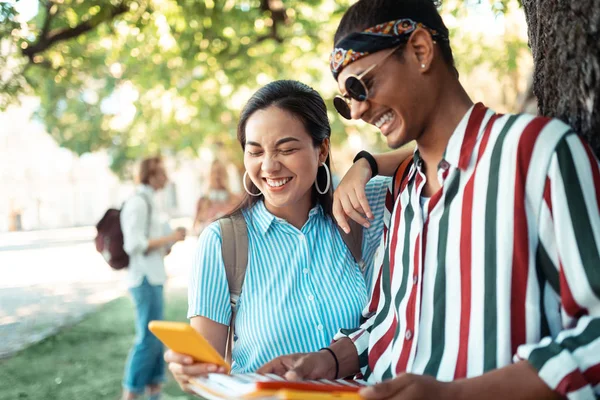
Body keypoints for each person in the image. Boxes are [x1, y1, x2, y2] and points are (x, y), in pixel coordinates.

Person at [259, 1, 600, 399]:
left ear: (420, 50)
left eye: (359, 87)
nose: (357, 111)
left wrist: (453, 394)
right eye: (345, 101)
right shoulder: (401, 189)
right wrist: (327, 361)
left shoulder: (535, 152)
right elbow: (388, 321)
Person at [164, 80, 414, 393]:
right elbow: (205, 367)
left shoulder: (361, 209)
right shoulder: (222, 242)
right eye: (255, 152)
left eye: (287, 149)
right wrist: (188, 369)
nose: (269, 166)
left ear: (321, 148)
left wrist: (366, 164)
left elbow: (437, 151)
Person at [120, 156, 186, 400]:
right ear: (150, 174)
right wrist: (169, 239)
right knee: (147, 339)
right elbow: (133, 244)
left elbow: (156, 246)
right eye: (161, 173)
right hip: (143, 279)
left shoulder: (153, 202)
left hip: (154, 276)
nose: (166, 177)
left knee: (155, 338)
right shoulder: (138, 202)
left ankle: (154, 391)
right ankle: (131, 393)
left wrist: (172, 240)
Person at [192, 160, 238, 235]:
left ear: (225, 175)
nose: (217, 176)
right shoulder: (202, 201)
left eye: (220, 172)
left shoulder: (236, 200)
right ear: (209, 176)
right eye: (214, 172)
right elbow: (194, 229)